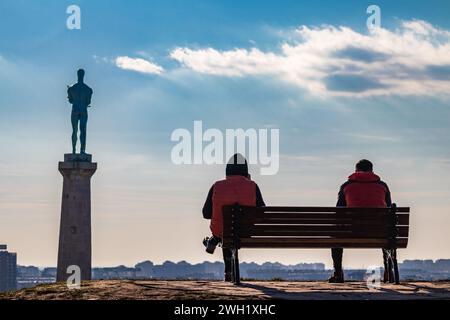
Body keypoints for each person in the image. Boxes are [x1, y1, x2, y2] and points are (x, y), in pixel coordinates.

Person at [202, 154, 265, 281]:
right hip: (246, 231)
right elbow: (261, 212)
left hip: (221, 231)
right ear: (245, 171)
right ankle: (214, 242)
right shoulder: (253, 186)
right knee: (231, 231)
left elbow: (206, 213)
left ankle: (226, 269)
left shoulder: (217, 186)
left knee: (226, 232)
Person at [329, 159, 392, 283]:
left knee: (335, 238)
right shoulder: (382, 186)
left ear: (356, 171)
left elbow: (339, 212)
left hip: (353, 231)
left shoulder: (346, 186)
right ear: (372, 171)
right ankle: (389, 273)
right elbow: (389, 210)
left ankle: (337, 274)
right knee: (389, 236)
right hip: (379, 232)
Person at [67, 69, 93, 154]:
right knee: (83, 130)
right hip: (83, 110)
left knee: (74, 130)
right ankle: (82, 150)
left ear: (77, 75)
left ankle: (74, 150)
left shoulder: (71, 88)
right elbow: (88, 102)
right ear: (83, 75)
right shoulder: (88, 89)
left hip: (75, 110)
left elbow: (70, 101)